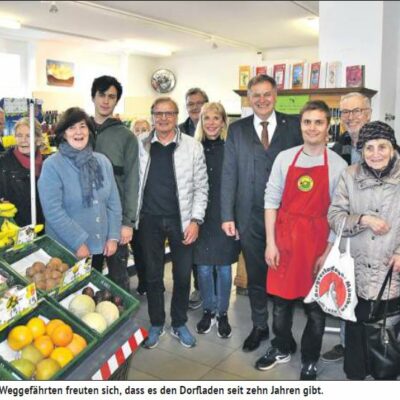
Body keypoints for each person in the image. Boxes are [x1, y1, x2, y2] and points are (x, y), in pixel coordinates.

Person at [256, 100, 347, 380]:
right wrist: (271, 243)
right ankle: (282, 345)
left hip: (317, 244)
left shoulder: (338, 165)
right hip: (284, 240)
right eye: (307, 122)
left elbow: (339, 214)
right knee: (280, 306)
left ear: (327, 127)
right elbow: (271, 201)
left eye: (319, 122)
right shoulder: (285, 157)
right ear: (301, 125)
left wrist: (328, 252)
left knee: (315, 309)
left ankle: (310, 358)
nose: (312, 128)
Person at [221, 74, 302, 352]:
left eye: (267, 94)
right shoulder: (237, 129)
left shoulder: (294, 126)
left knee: (283, 275)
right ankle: (259, 326)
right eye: (256, 95)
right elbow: (229, 173)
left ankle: (283, 332)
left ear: (276, 94)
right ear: (249, 98)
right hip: (249, 216)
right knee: (256, 276)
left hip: (287, 217)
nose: (262, 100)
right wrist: (227, 215)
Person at [328, 121, 400, 380]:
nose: (376, 153)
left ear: (393, 148)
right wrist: (363, 220)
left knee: (387, 334)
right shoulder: (350, 174)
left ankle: (385, 378)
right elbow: (334, 217)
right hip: (355, 271)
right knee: (356, 334)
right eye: (369, 147)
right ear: (362, 150)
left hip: (392, 272)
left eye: (382, 146)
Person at [138, 97, 208, 349]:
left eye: (169, 113)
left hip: (183, 220)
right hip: (149, 219)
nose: (164, 118)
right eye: (159, 113)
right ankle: (156, 322)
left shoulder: (192, 147)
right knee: (153, 275)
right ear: (152, 115)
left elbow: (202, 187)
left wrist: (196, 220)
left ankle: (179, 322)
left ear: (177, 116)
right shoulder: (141, 144)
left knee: (181, 275)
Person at [322, 92, 372, 363]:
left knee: (370, 294)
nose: (351, 117)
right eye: (346, 113)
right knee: (345, 288)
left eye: (357, 111)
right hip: (344, 233)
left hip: (376, 234)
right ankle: (345, 342)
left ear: (369, 112)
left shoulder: (385, 147)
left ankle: (371, 345)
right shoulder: (337, 149)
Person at [38, 108, 122, 266]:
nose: (78, 132)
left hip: (99, 246)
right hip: (66, 249)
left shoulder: (102, 162)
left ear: (89, 131)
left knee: (92, 289)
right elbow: (53, 212)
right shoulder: (52, 165)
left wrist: (113, 236)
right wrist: (78, 242)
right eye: (72, 127)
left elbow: (113, 203)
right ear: (63, 134)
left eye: (82, 126)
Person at [193, 102, 240, 338]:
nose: (211, 123)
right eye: (206, 118)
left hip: (225, 217)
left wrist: (236, 219)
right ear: (201, 122)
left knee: (222, 268)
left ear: (223, 121)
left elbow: (239, 187)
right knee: (202, 268)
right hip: (200, 217)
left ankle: (222, 313)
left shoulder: (231, 148)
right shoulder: (193, 148)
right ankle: (208, 310)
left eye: (216, 118)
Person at [90, 75, 139, 291]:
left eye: (112, 96)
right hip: (85, 219)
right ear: (93, 96)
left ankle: (123, 322)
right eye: (102, 94)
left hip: (114, 219)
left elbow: (132, 181)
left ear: (116, 101)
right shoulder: (79, 131)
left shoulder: (126, 137)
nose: (106, 101)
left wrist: (127, 222)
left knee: (119, 279)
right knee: (85, 277)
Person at [178, 87, 209, 311]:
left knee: (204, 249)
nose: (195, 107)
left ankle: (203, 287)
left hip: (207, 197)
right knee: (187, 247)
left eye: (199, 103)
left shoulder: (213, 127)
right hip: (184, 200)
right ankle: (190, 288)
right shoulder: (178, 131)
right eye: (191, 104)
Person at [0, 117, 44, 227]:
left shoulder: (48, 164)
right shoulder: (3, 163)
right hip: (14, 228)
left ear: (38, 140)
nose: (23, 140)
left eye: (29, 135)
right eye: (19, 135)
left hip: (43, 226)